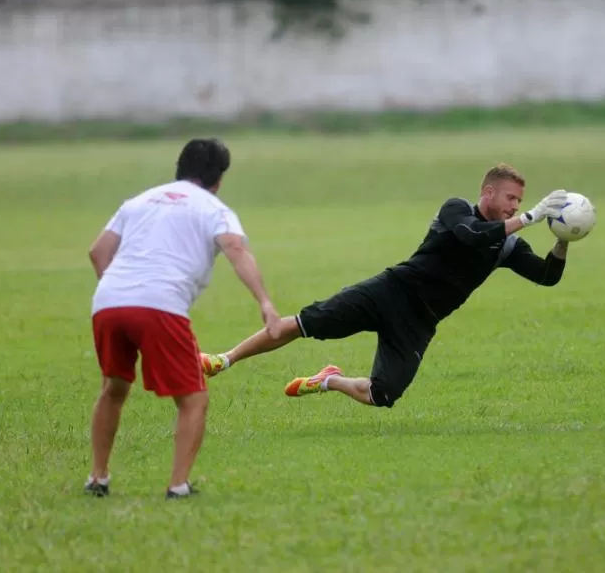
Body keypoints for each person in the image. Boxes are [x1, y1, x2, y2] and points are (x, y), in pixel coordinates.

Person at [200, 163, 571, 409]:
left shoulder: (507, 245)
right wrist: (529, 217)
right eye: (511, 198)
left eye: (520, 201)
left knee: (382, 396)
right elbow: (471, 236)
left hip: (419, 322)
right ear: (488, 192)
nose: (515, 206)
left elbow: (546, 276)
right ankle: (223, 360)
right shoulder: (457, 210)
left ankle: (329, 381)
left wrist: (564, 238)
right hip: (389, 292)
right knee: (304, 324)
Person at [84, 137, 282, 500]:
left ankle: (98, 478)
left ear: (179, 168)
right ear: (218, 180)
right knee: (193, 399)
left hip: (108, 301)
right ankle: (178, 486)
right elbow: (236, 249)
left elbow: (98, 253)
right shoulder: (214, 209)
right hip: (160, 305)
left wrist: (122, 291)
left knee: (113, 389)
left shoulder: (138, 201)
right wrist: (265, 301)